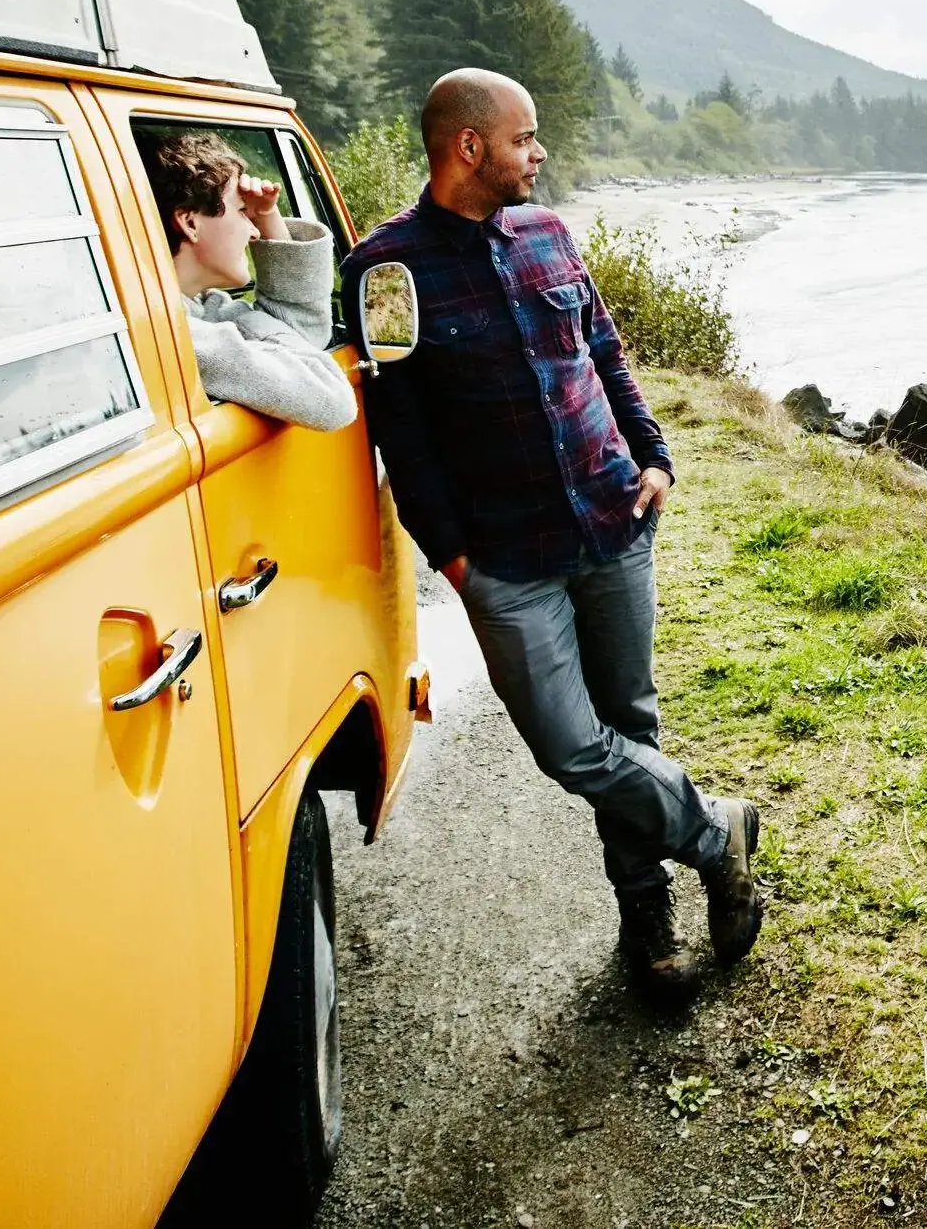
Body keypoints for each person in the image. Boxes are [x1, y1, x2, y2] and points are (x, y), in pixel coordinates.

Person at [343, 68, 761, 989]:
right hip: (504, 556)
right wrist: (449, 554)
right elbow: (400, 432)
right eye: (526, 138)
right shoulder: (386, 272)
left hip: (614, 520)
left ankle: (647, 937)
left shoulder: (549, 233)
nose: (540, 154)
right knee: (572, 746)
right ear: (470, 146)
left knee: (630, 724)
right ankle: (715, 830)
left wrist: (654, 457)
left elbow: (604, 351)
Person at [146, 130, 357, 434]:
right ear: (190, 223)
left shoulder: (203, 309)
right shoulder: (183, 335)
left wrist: (268, 217)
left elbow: (303, 336)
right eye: (242, 212)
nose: (254, 233)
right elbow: (331, 400)